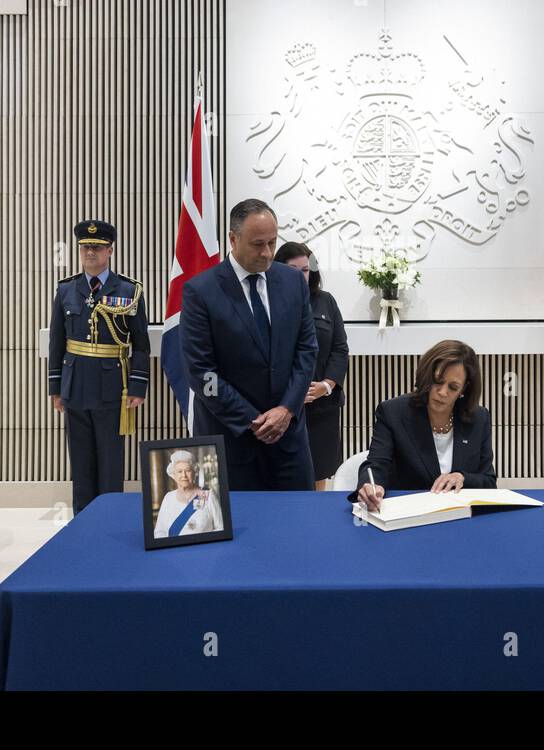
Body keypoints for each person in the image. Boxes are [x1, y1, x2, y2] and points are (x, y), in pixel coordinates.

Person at [180, 198, 318, 491]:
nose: (267, 253)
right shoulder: (200, 291)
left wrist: (287, 409)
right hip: (233, 441)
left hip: (289, 439)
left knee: (295, 527)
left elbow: (307, 351)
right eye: (258, 244)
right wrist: (251, 419)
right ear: (233, 238)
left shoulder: (293, 283)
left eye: (272, 242)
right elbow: (202, 374)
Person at [48, 220, 149, 515]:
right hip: (75, 384)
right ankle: (82, 523)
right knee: (80, 462)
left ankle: (108, 519)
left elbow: (141, 344)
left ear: (110, 250)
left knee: (110, 462)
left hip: (112, 388)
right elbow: (58, 341)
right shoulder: (66, 290)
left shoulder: (129, 290)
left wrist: (138, 386)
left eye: (97, 247)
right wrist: (56, 387)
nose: (90, 252)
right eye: (85, 247)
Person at [354, 340, 496, 512]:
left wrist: (462, 478)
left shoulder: (479, 418)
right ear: (427, 376)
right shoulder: (393, 412)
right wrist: (371, 485)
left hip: (460, 518)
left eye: (453, 387)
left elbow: (488, 481)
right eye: (437, 381)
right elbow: (376, 464)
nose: (442, 392)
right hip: (407, 516)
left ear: (464, 389)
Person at [274, 241, 349, 491]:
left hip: (322, 407)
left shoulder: (326, 301)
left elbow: (340, 349)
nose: (300, 275)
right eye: (293, 269)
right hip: (283, 406)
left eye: (304, 270)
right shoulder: (269, 303)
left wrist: (326, 386)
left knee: (320, 474)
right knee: (284, 475)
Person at [153, 450, 224, 538]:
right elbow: (160, 531)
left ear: (195, 472)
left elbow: (221, 528)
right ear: (173, 475)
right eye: (179, 471)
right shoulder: (168, 498)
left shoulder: (208, 496)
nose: (184, 475)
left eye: (188, 470)